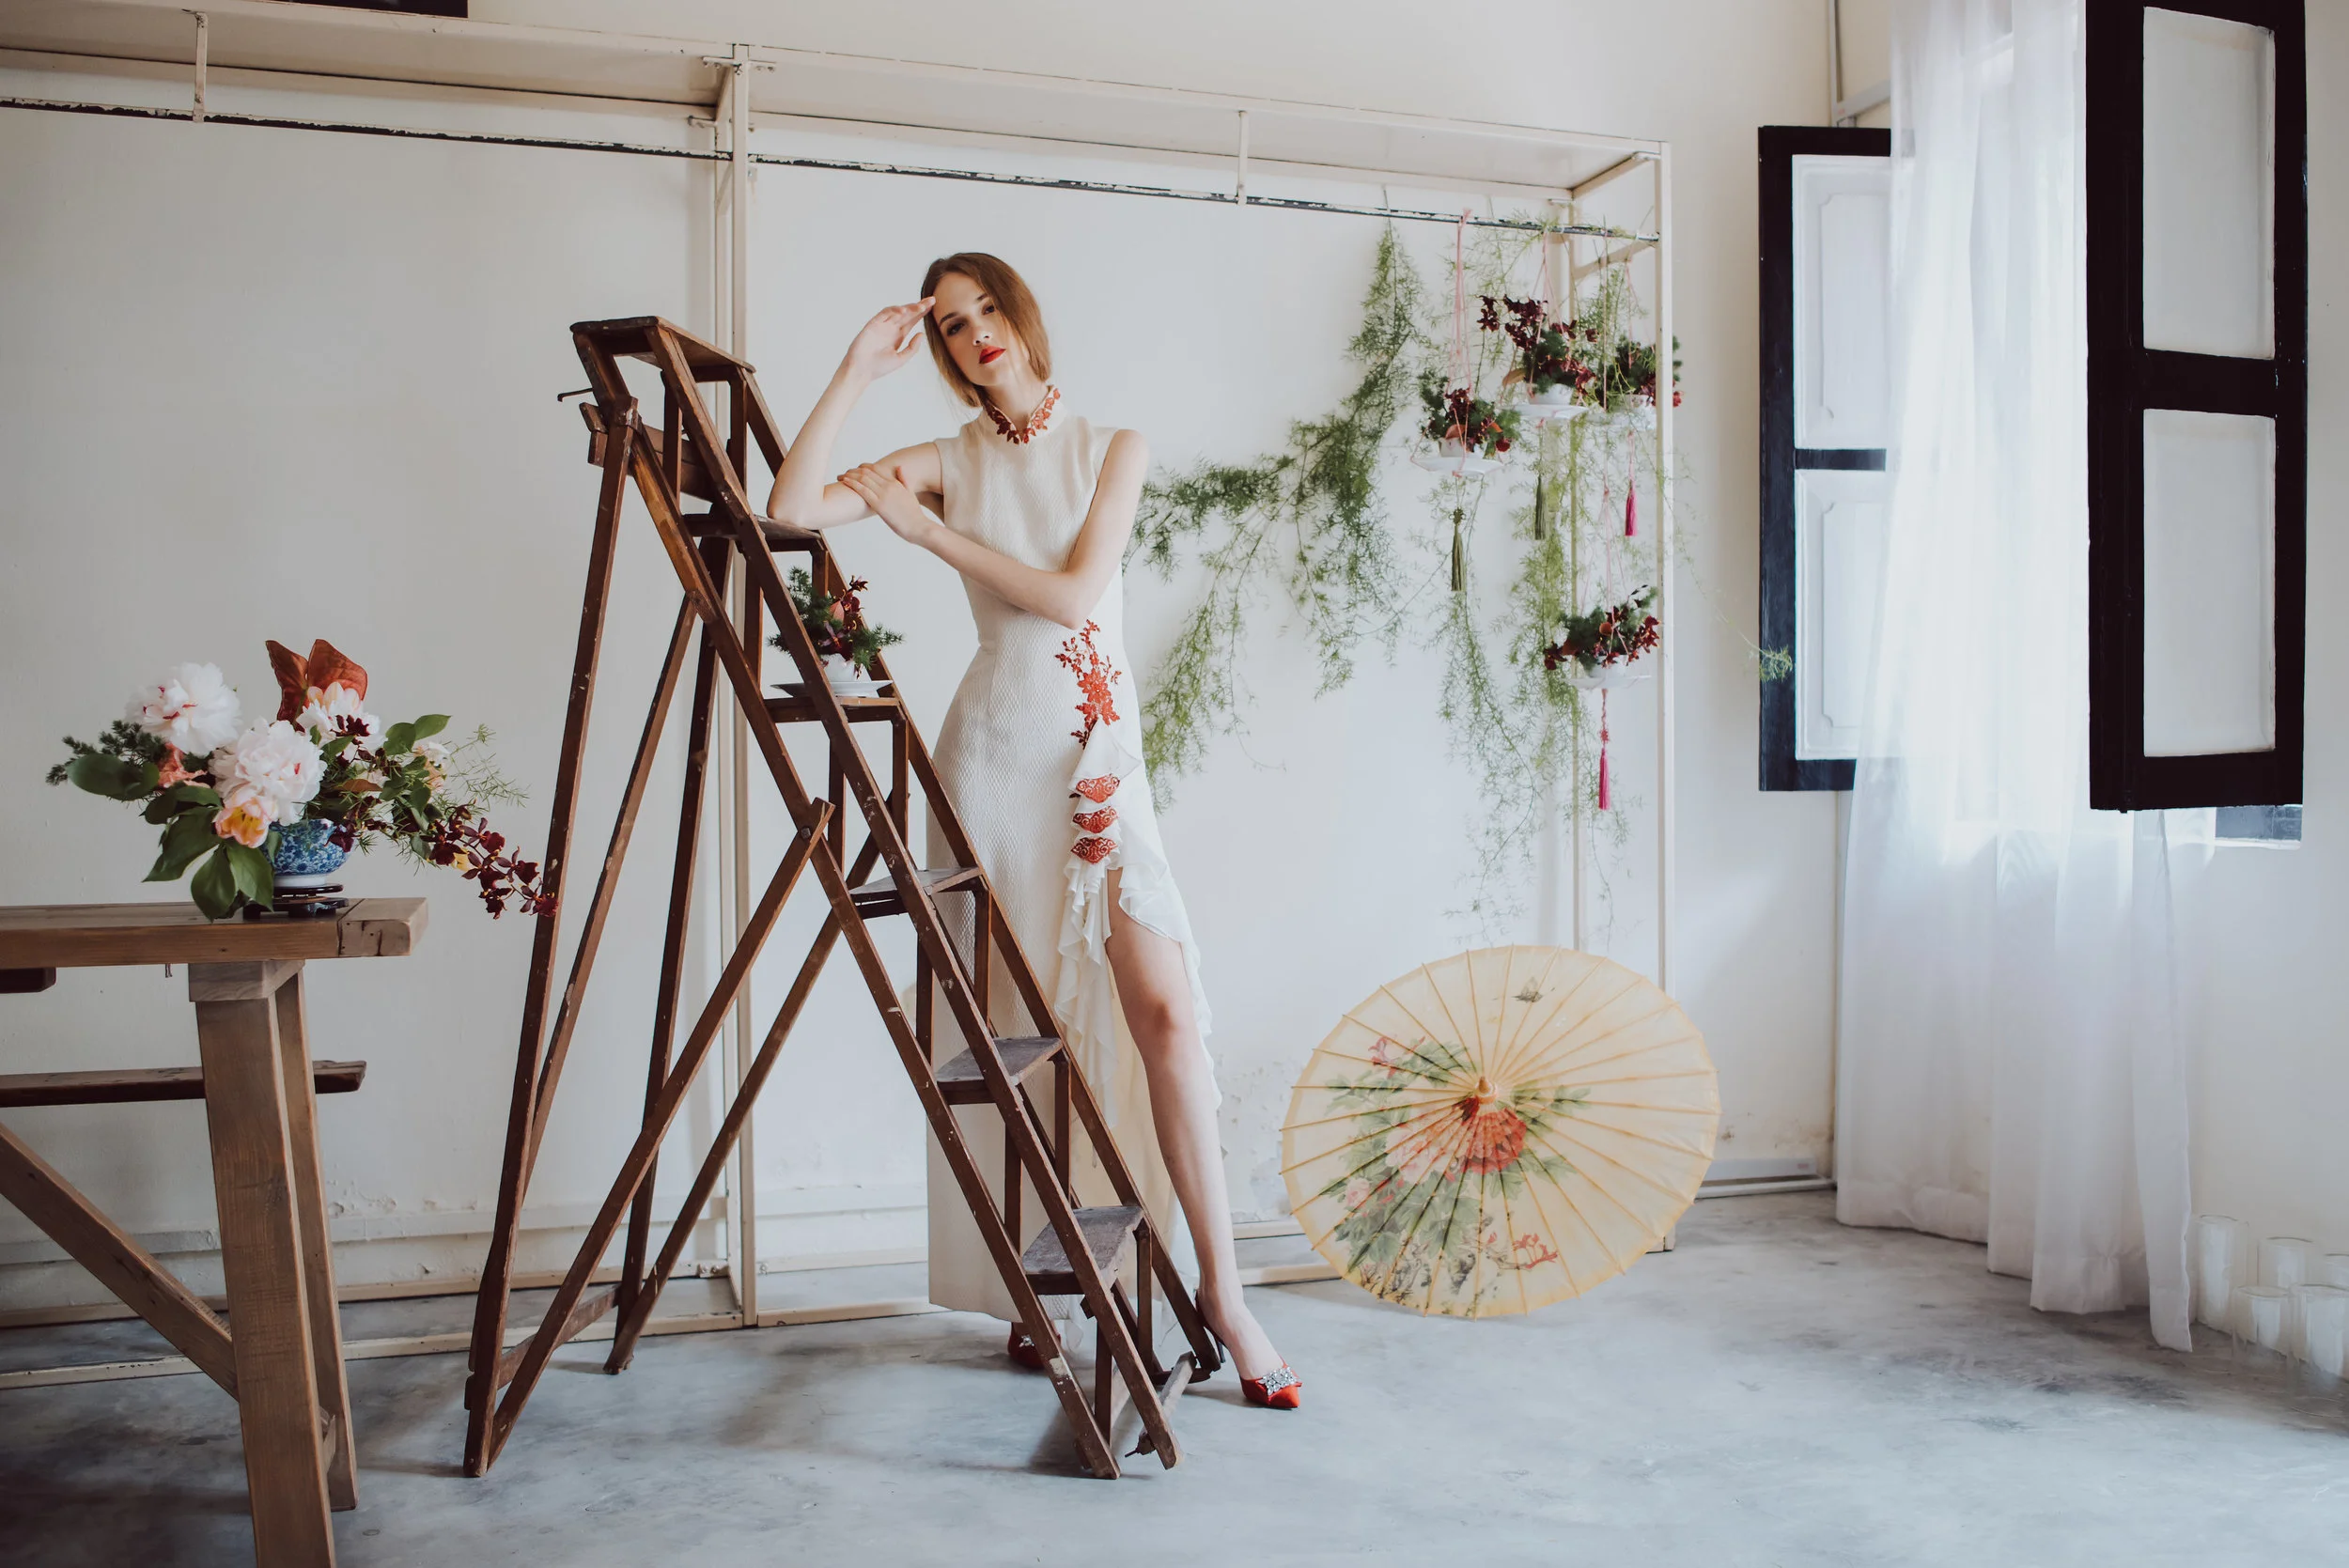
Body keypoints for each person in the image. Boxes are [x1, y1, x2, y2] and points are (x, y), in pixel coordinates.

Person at [765, 253, 1298, 1409]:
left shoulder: (1114, 448)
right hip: (993, 763)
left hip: (1094, 759)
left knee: (1164, 1016)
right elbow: (789, 509)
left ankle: (1223, 1292)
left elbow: (1068, 597)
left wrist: (924, 534)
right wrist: (855, 371)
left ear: (1021, 313)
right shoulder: (944, 458)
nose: (976, 336)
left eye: (987, 310)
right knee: (1018, 1032)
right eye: (953, 326)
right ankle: (1037, 1283)